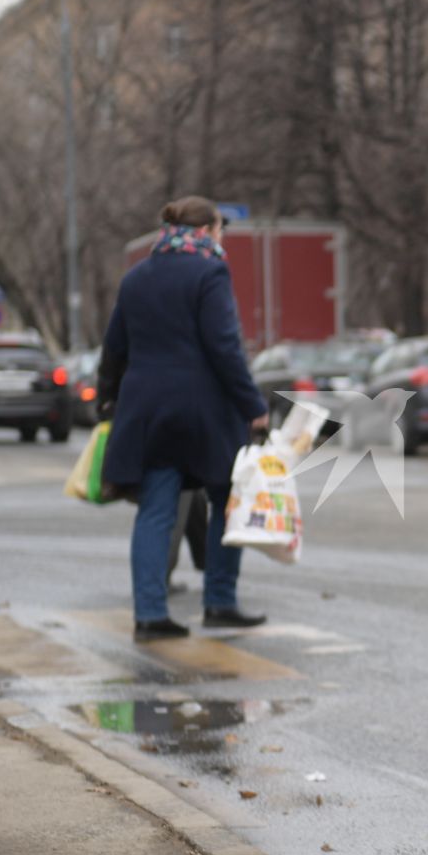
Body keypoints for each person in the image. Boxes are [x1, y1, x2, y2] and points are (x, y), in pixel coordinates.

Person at [97, 196, 271, 642]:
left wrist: (108, 399)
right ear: (209, 231)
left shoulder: (136, 277)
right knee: (227, 502)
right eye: (221, 231)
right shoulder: (209, 272)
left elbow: (115, 346)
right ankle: (219, 602)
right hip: (203, 411)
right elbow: (224, 347)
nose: (222, 239)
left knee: (156, 510)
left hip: (148, 412)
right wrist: (253, 405)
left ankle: (151, 614)